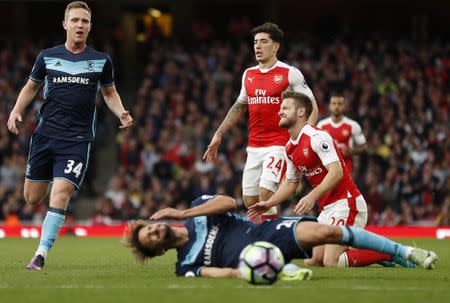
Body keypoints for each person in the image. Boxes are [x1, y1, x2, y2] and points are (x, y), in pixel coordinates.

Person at [7, 1, 133, 270]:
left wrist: (121, 112)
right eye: (75, 20)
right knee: (32, 197)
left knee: (61, 192)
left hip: (76, 140)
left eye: (84, 22)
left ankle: (40, 254)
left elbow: (109, 93)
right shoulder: (47, 56)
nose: (79, 25)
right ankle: (43, 234)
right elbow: (31, 87)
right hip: (44, 136)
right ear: (65, 24)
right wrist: (16, 110)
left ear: (90, 27)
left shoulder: (101, 61)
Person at [248, 91, 411, 268]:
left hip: (347, 203)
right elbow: (290, 183)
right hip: (326, 209)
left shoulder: (317, 137)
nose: (279, 112)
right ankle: (369, 253)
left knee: (331, 262)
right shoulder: (289, 148)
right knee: (314, 261)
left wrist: (311, 196)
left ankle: (387, 253)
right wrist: (269, 203)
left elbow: (336, 172)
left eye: (285, 108)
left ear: (301, 111)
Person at [122, 195, 437, 278]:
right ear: (159, 250)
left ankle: (405, 252)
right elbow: (220, 273)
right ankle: (286, 271)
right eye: (151, 238)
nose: (155, 231)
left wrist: (184, 213)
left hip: (268, 232)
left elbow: (231, 204)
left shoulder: (195, 211)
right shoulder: (185, 265)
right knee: (323, 261)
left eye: (150, 227)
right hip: (258, 260)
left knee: (327, 232)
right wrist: (254, 272)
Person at [203, 22, 318, 221]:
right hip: (254, 146)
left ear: (276, 46)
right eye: (255, 42)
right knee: (250, 201)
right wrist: (219, 134)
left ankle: (276, 239)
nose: (257, 46)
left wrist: (307, 136)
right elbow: (239, 106)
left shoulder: (289, 73)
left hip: (279, 144)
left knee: (265, 195)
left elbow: (312, 105)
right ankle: (271, 234)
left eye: (264, 41)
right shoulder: (248, 74)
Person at [316, 95, 367, 174]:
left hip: (346, 169)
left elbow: (364, 146)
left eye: (339, 104)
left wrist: (351, 151)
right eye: (334, 103)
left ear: (344, 107)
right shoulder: (321, 125)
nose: (336, 107)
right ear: (329, 106)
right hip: (326, 169)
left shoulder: (352, 125)